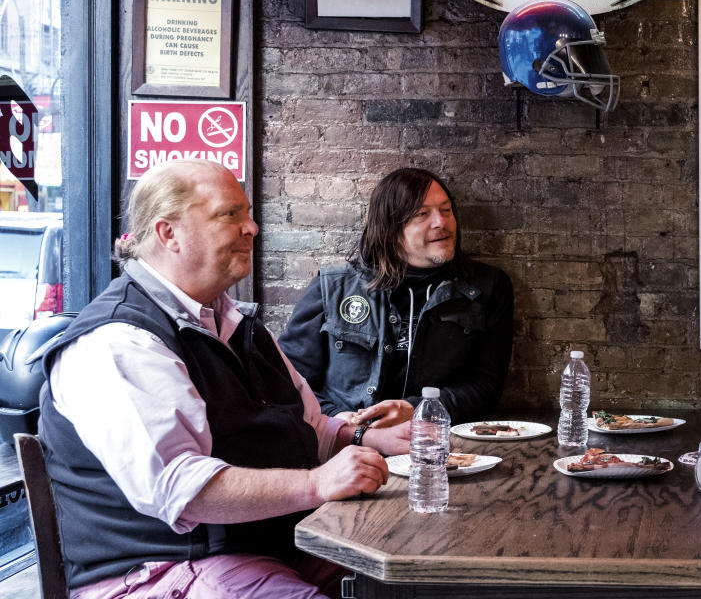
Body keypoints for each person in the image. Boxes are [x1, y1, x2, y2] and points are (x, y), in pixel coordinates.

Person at [39, 159, 410, 598]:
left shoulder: (240, 326)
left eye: (248, 214)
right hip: (163, 570)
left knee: (414, 571)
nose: (251, 227)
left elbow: (314, 431)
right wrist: (317, 483)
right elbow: (181, 488)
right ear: (167, 233)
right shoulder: (118, 341)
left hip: (272, 546)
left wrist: (367, 438)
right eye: (228, 214)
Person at [280, 168, 514, 427]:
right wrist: (335, 417)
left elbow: (486, 386)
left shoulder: (487, 287)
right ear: (390, 229)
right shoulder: (331, 288)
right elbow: (288, 380)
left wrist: (416, 410)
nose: (441, 222)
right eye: (422, 214)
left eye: (446, 210)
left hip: (435, 443)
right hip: (347, 447)